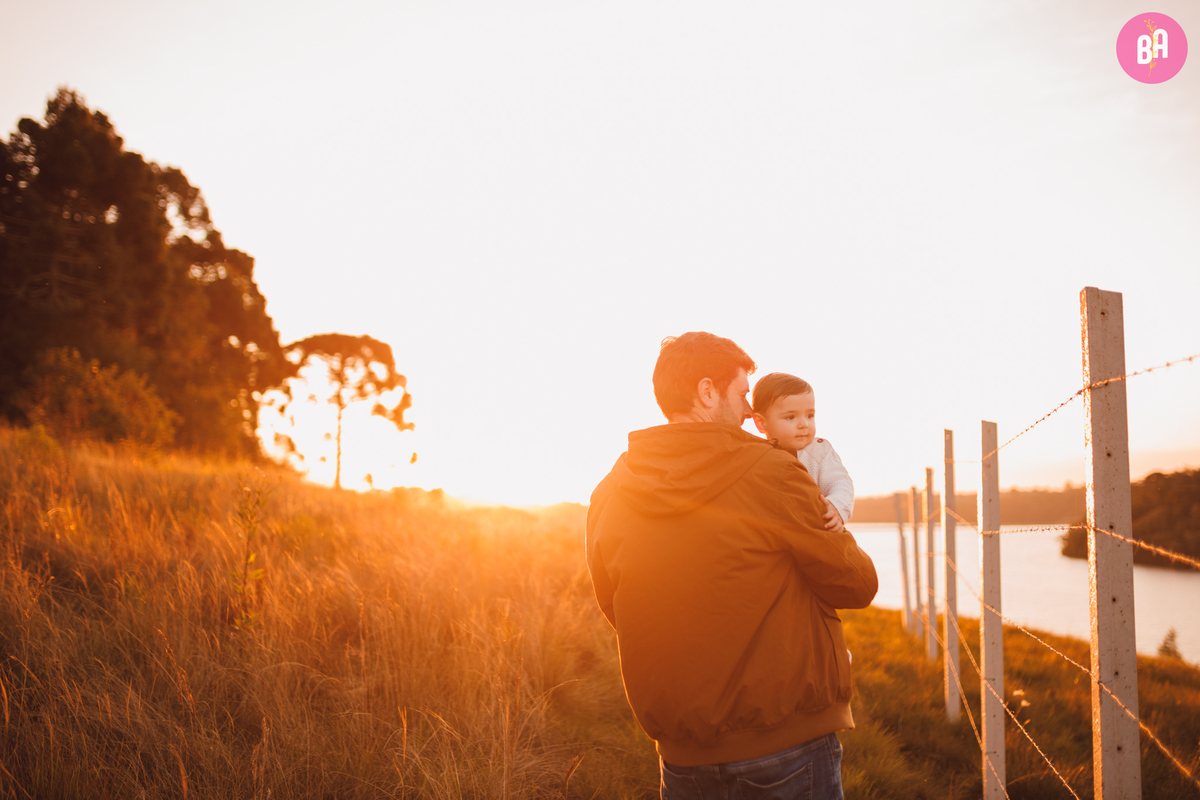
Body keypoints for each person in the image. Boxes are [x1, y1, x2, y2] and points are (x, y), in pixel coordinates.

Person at [586, 331, 878, 800]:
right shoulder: (774, 469)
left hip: (682, 759)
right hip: (786, 746)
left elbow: (613, 603)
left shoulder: (610, 490)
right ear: (706, 391)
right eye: (743, 393)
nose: (749, 411)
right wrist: (834, 517)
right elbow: (856, 584)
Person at [751, 372, 855, 534]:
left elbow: (841, 482)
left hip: (819, 529)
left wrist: (836, 506)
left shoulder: (820, 451)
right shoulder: (757, 455)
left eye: (809, 415)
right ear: (761, 422)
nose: (804, 424)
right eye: (790, 417)